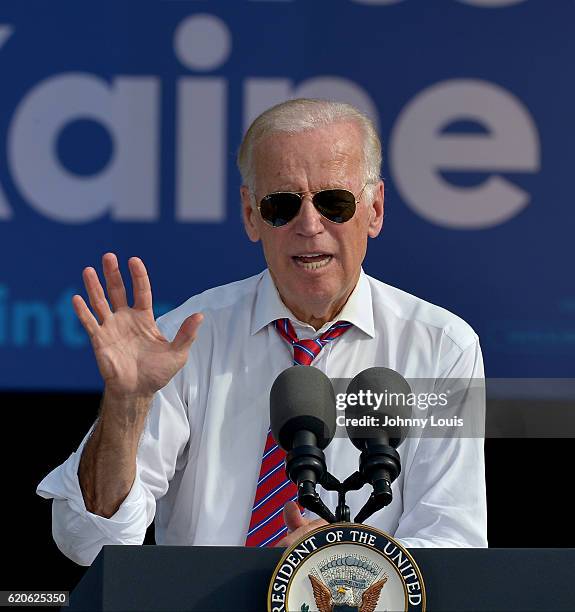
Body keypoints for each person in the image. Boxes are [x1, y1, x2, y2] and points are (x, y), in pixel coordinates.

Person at [37, 98, 487, 566]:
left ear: (374, 210)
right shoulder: (185, 342)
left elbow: (453, 541)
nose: (310, 225)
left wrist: (331, 565)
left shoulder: (442, 349)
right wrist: (127, 407)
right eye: (282, 206)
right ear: (251, 215)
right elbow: (86, 541)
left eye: (334, 202)